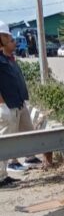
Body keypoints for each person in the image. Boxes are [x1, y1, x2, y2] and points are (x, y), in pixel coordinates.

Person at [0, 21, 35, 188]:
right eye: (7, 35)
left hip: (14, 103)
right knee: (3, 142)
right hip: (5, 107)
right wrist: (2, 105)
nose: (10, 38)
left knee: (9, 141)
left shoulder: (5, 58)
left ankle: (3, 175)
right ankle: (1, 177)